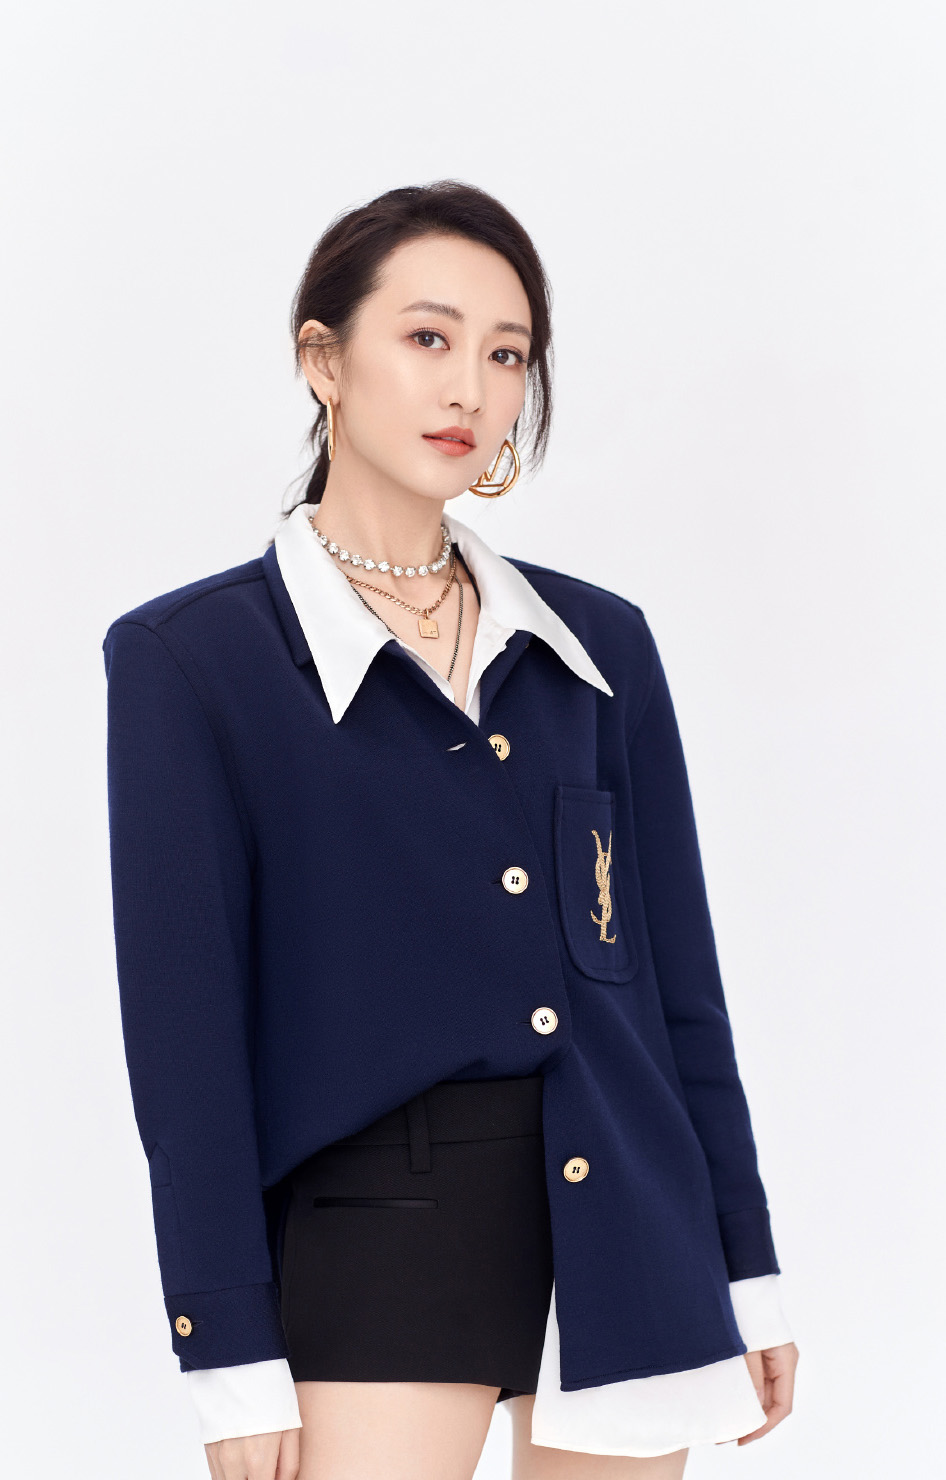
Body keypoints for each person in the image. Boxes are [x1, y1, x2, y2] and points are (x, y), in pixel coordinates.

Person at [102, 180, 799, 1480]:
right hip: (376, 1236)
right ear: (324, 360)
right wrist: (225, 1353)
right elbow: (184, 1046)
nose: (469, 387)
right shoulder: (193, 661)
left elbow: (676, 992)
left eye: (506, 353)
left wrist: (742, 1268)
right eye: (428, 337)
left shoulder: (599, 645)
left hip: (630, 1236)